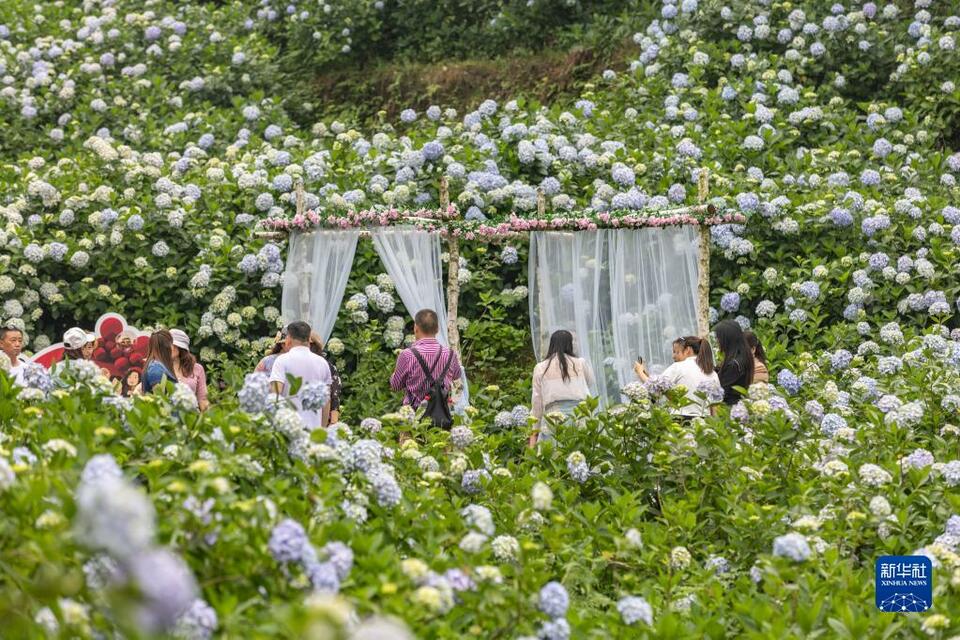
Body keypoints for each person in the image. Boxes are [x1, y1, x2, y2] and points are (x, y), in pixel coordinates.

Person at [529, 330, 595, 447]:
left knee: (556, 457)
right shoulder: (580, 363)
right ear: (569, 344)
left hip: (554, 418)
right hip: (579, 415)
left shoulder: (540, 367)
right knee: (581, 455)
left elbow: (537, 401)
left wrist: (534, 431)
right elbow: (590, 382)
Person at [390, 309, 462, 410]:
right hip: (441, 414)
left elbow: (395, 386)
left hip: (414, 415)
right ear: (437, 329)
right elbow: (456, 375)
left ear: (416, 328)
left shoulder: (407, 355)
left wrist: (397, 370)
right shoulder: (450, 354)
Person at [634, 336, 720, 418]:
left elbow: (656, 388)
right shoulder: (712, 373)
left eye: (676, 352)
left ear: (688, 350)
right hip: (703, 423)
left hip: (681, 420)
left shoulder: (679, 367)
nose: (673, 356)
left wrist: (640, 372)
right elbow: (715, 407)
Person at [269, 321, 333, 429]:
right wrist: (322, 428)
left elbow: (275, 395)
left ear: (288, 339)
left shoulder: (282, 360)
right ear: (309, 339)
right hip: (314, 431)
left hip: (288, 429)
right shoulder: (322, 363)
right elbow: (326, 401)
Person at [714, 320, 754, 405]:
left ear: (726, 339)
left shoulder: (734, 365)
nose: (716, 340)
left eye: (718, 337)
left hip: (729, 409)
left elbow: (721, 390)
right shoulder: (743, 356)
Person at [171, 329, 209, 411]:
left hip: (191, 415)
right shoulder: (161, 367)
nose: (170, 348)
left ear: (181, 348)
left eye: (173, 344)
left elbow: (203, 399)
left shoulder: (197, 368)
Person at [309, 332, 343, 424]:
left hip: (318, 416)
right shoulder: (328, 365)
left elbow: (334, 395)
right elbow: (335, 394)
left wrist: (333, 421)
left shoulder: (326, 365)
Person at [142, 329, 178, 394]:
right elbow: (159, 398)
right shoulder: (156, 367)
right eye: (171, 343)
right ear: (166, 346)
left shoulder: (157, 366)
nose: (173, 347)